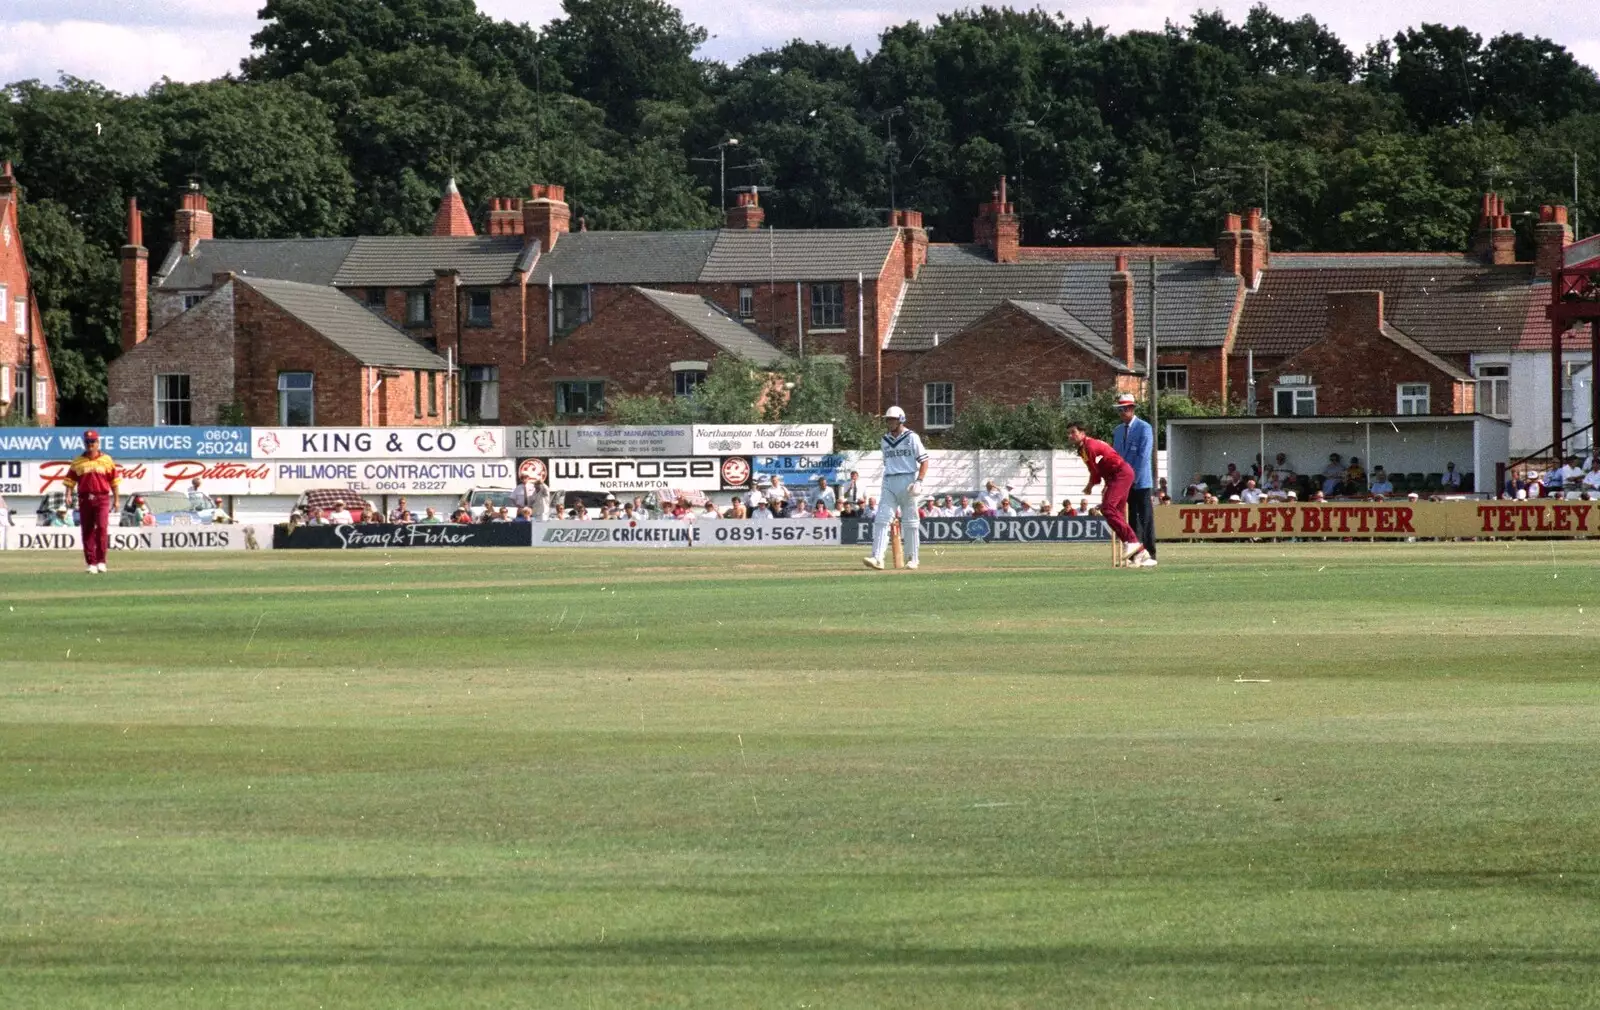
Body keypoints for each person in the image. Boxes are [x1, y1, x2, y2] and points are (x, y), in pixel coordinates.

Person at [1068, 422, 1151, 568]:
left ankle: (1132, 542)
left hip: (1121, 474)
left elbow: (1095, 473)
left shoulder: (1090, 446)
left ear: (1082, 433)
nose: (1070, 436)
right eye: (1069, 433)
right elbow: (1100, 468)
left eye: (1073, 432)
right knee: (1116, 514)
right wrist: (1105, 484)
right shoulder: (1084, 448)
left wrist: (1090, 486)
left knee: (1108, 509)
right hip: (1115, 476)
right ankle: (1141, 555)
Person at [863, 406, 929, 571]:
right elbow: (887, 463)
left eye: (892, 419)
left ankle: (912, 559)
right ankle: (877, 558)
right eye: (888, 419)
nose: (889, 422)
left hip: (907, 480)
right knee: (882, 519)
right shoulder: (884, 440)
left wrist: (919, 481)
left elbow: (924, 460)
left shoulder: (912, 437)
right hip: (889, 481)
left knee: (911, 522)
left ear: (901, 419)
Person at [62, 430, 120, 574]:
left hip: (102, 497)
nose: (90, 445)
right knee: (87, 530)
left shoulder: (107, 459)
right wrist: (68, 494)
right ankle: (91, 562)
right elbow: (70, 480)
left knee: (101, 528)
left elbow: (114, 481)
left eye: (93, 442)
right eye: (88, 442)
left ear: (98, 443)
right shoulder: (78, 461)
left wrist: (117, 500)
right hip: (85, 498)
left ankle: (101, 561)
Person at [1111, 392, 1157, 561]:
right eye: (1119, 410)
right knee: (1131, 519)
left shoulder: (1144, 428)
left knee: (1145, 519)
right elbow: (1115, 457)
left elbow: (1143, 456)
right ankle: (1136, 554)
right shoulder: (1117, 431)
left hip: (1141, 482)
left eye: (1124, 409)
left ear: (1131, 409)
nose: (1121, 413)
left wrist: (1132, 478)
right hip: (1124, 482)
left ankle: (1150, 554)